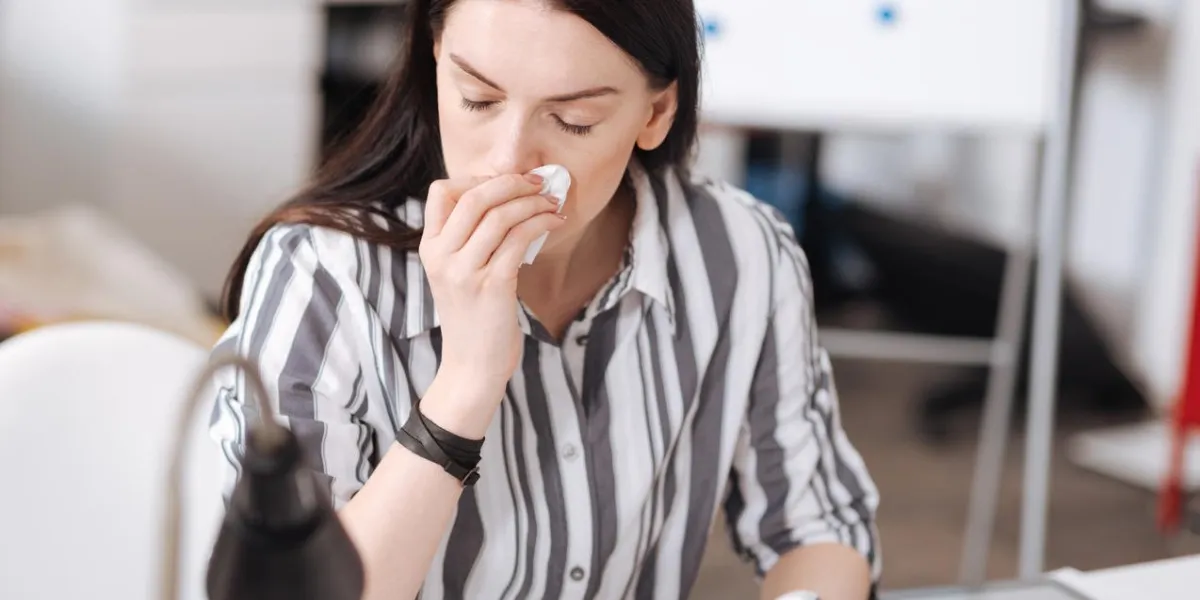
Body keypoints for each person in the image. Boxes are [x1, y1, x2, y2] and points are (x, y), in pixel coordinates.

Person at [208, 0, 881, 598]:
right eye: (477, 99)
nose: (508, 159)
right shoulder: (323, 276)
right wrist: (465, 386)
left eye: (573, 120)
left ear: (655, 112)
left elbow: (815, 524)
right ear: (436, 58)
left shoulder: (739, 253)